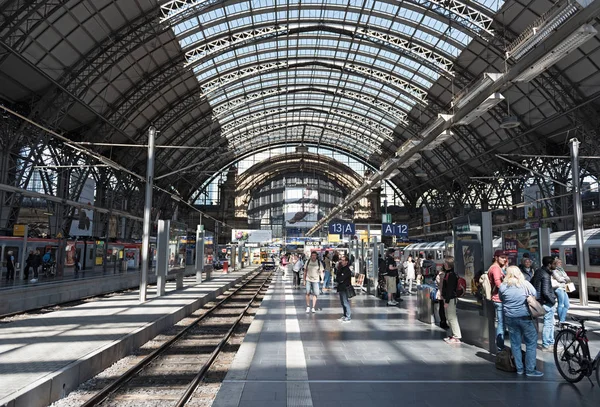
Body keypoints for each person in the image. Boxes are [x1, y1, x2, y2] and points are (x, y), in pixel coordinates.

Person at [499, 266, 543, 377]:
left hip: (510, 318)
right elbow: (535, 295)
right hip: (526, 318)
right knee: (531, 344)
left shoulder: (503, 286)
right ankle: (530, 370)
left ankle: (519, 369)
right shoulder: (525, 284)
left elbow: (501, 299)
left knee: (515, 344)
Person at [531, 256, 558, 351]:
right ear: (549, 265)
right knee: (549, 323)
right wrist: (553, 301)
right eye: (554, 264)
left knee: (548, 323)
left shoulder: (539, 271)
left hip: (540, 300)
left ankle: (549, 343)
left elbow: (532, 282)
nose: (556, 265)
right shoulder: (546, 275)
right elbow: (546, 292)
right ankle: (547, 344)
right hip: (546, 302)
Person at [489, 250, 508, 351]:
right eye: (502, 257)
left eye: (505, 257)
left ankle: (500, 345)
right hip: (499, 299)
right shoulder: (496, 268)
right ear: (496, 257)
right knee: (501, 323)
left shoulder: (496, 267)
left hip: (498, 298)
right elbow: (498, 284)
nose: (504, 259)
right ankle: (500, 346)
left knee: (502, 323)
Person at [441, 256, 461, 343]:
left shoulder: (451, 275)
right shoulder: (448, 273)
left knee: (452, 317)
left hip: (451, 299)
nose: (444, 264)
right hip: (448, 298)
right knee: (449, 317)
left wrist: (447, 301)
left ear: (449, 264)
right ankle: (453, 334)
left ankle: (456, 336)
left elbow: (450, 289)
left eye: (445, 263)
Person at [552, 258, 571, 324]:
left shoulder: (562, 270)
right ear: (556, 263)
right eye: (559, 262)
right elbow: (559, 279)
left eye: (561, 262)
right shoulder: (554, 270)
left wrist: (564, 278)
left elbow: (568, 278)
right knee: (561, 304)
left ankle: (562, 320)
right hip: (559, 288)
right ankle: (561, 320)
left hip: (564, 287)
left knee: (567, 305)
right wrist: (564, 278)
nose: (561, 263)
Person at [336, 256, 352, 323]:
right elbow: (337, 278)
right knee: (343, 302)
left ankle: (348, 316)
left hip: (345, 288)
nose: (341, 261)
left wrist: (339, 279)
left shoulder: (347, 270)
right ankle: (345, 315)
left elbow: (341, 279)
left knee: (345, 302)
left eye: (343, 260)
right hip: (341, 288)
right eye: (341, 260)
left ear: (346, 262)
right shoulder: (341, 268)